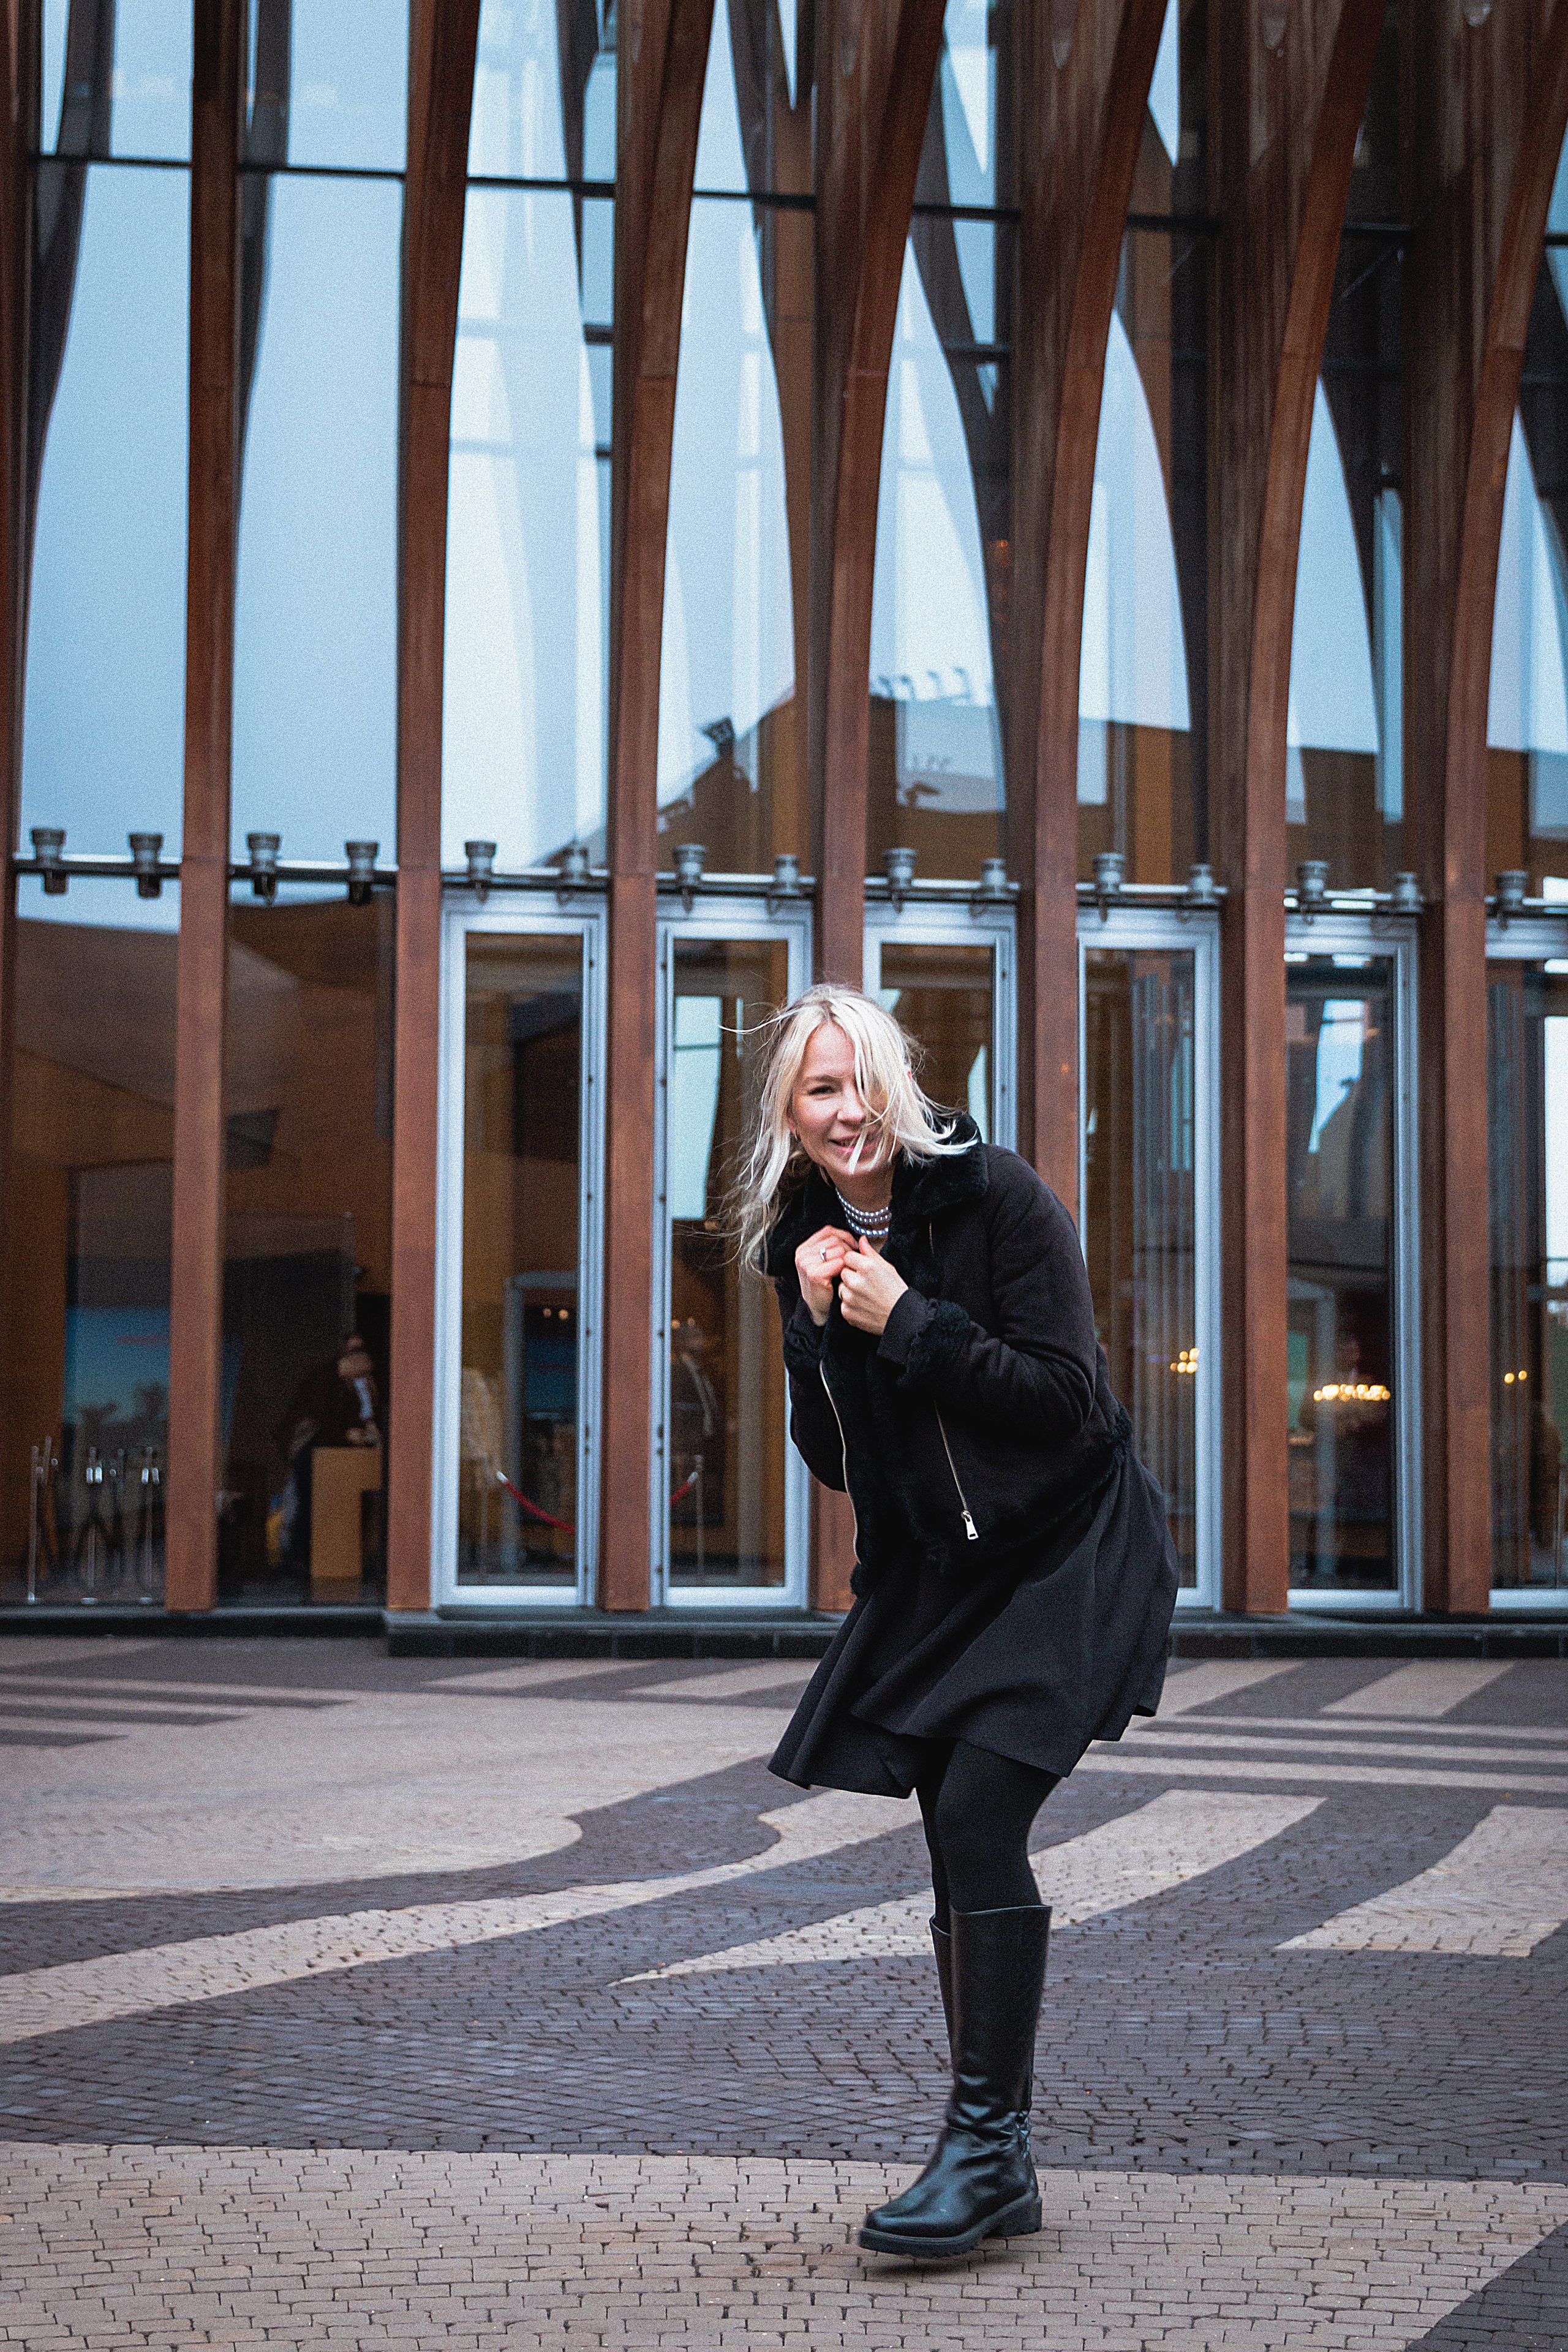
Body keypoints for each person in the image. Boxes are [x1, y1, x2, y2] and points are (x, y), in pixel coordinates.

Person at [734, 984, 1178, 2261]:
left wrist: (908, 1322)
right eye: (819, 1090)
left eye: (862, 1079)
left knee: (981, 1814)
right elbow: (829, 1456)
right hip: (939, 1573)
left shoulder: (997, 1199)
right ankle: (997, 2167)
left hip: (1067, 1546)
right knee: (950, 1827)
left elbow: (1065, 1402)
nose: (847, 1108)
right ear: (791, 1115)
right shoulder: (797, 1240)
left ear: (899, 1086)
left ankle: (984, 2150)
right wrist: (819, 1335)